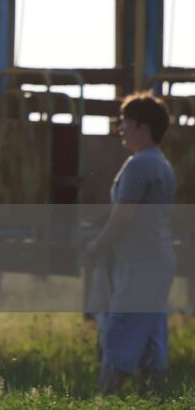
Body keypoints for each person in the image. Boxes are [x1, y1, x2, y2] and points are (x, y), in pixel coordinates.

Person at [87, 93, 177, 395]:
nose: (120, 128)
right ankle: (156, 399)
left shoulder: (139, 164)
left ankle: (104, 399)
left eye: (125, 122)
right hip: (157, 260)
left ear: (142, 126)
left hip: (140, 264)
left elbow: (124, 216)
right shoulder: (161, 164)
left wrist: (98, 246)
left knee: (119, 332)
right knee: (151, 336)